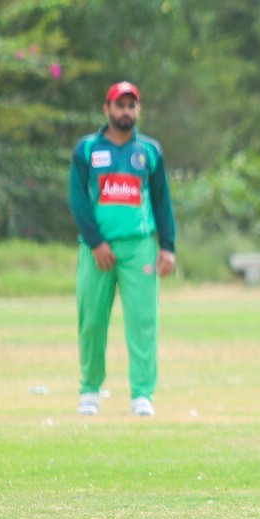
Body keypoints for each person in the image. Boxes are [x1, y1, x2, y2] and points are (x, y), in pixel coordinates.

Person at [68, 81, 176, 418]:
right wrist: (96, 242)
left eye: (132, 105)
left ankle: (142, 394)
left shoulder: (149, 151)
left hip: (139, 246)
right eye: (120, 105)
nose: (126, 111)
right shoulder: (87, 149)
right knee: (91, 321)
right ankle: (90, 390)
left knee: (143, 321)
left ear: (138, 110)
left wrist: (167, 246)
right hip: (96, 249)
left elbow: (162, 200)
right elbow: (77, 199)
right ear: (107, 109)